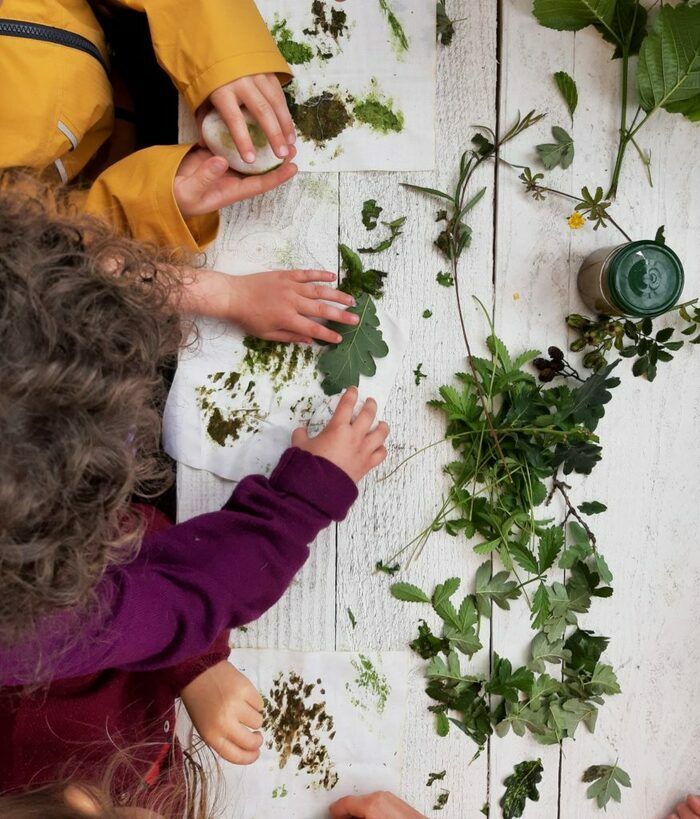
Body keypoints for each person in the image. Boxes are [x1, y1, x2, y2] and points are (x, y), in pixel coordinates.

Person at [0, 174, 389, 796]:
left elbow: (71, 261)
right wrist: (306, 497)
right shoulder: (51, 622)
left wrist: (226, 294)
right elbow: (190, 592)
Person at [0, 0, 299, 251]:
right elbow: (32, 243)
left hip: (124, 41)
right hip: (105, 169)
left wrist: (219, 49)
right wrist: (148, 204)